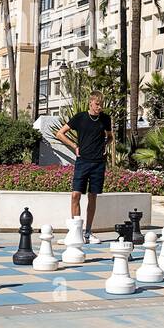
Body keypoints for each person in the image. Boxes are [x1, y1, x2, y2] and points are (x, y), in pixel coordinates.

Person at [57, 92, 113, 239]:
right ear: (91, 102)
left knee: (92, 196)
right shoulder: (80, 117)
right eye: (97, 104)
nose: (99, 108)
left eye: (101, 105)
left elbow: (110, 137)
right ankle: (76, 231)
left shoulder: (105, 119)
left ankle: (88, 232)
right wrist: (74, 146)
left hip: (98, 163)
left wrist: (104, 145)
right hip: (82, 161)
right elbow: (60, 133)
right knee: (75, 195)